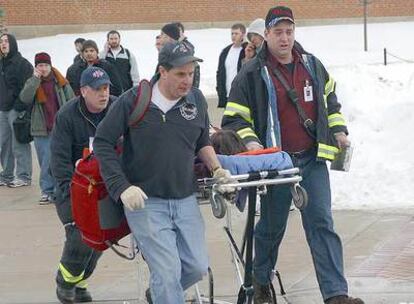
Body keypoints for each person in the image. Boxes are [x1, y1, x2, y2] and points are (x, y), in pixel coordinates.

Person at [221, 6, 365, 304]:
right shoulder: (251, 73)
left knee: (322, 225)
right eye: (278, 32)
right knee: (271, 229)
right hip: (277, 167)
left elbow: (331, 102)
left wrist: (338, 130)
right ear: (267, 35)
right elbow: (234, 120)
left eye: (289, 31)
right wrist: (251, 145)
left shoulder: (312, 65)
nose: (284, 38)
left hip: (311, 162)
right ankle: (260, 284)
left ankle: (336, 294)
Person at [93, 41, 233, 304]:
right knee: (168, 272)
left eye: (191, 73)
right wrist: (122, 187)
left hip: (185, 198)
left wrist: (217, 169)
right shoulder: (134, 100)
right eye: (181, 74)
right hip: (146, 203)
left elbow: (202, 140)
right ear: (163, 71)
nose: (187, 80)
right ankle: (165, 292)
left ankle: (160, 294)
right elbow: (102, 142)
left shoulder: (196, 100)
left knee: (196, 267)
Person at [50, 67, 117, 304]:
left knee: (101, 239)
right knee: (80, 235)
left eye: (106, 88)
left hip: (105, 188)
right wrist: (71, 193)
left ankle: (80, 282)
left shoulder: (117, 109)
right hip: (73, 188)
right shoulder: (67, 115)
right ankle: (64, 281)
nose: (103, 94)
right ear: (83, 91)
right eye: (97, 89)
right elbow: (58, 160)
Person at [19, 52, 74, 204]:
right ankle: (48, 191)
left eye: (45, 65)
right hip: (41, 128)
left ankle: (55, 190)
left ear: (50, 65)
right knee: (45, 161)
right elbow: (24, 98)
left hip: (59, 127)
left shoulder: (60, 81)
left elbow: (71, 101)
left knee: (55, 160)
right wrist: (35, 80)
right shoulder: (33, 82)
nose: (43, 68)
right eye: (40, 66)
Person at [0, 33, 33, 188]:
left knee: (19, 144)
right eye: (1, 42)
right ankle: (6, 175)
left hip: (16, 109)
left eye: (6, 41)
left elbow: (28, 88)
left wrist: (20, 106)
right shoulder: (1, 63)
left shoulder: (22, 64)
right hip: (2, 109)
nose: (3, 44)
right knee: (4, 143)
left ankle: (23, 176)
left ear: (13, 43)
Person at [216, 23, 247, 108]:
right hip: (228, 95)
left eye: (236, 33)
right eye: (232, 33)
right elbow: (220, 72)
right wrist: (220, 90)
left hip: (242, 95)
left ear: (243, 34)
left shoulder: (247, 50)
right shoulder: (225, 52)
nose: (233, 36)